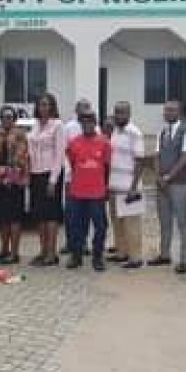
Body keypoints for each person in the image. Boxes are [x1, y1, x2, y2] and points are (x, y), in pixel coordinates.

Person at [148, 100, 186, 273]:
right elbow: (156, 156)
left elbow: (185, 158)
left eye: (172, 110)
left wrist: (168, 177)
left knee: (183, 223)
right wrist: (158, 176)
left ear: (180, 112)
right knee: (164, 221)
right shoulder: (161, 132)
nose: (168, 113)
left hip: (179, 184)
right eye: (166, 110)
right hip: (162, 183)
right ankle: (164, 254)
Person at [66, 109, 112, 272]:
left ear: (95, 123)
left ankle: (98, 256)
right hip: (78, 191)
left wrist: (105, 187)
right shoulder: (73, 143)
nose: (87, 125)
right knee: (77, 226)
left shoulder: (104, 142)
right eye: (84, 122)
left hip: (97, 192)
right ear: (81, 124)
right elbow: (72, 164)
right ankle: (76, 256)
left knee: (100, 226)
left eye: (90, 122)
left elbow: (107, 167)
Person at [0, 105, 29, 265]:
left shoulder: (20, 136)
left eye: (9, 117)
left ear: (14, 119)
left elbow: (20, 159)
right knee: (2, 218)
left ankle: (14, 253)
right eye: (3, 117)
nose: (6, 120)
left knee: (15, 219)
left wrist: (7, 174)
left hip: (14, 183)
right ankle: (4, 249)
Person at [105, 102, 146, 269]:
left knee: (132, 224)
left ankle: (135, 257)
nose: (119, 115)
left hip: (130, 186)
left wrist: (133, 187)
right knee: (117, 222)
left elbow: (140, 161)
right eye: (116, 112)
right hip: (114, 185)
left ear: (129, 114)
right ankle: (121, 253)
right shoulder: (114, 131)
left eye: (122, 112)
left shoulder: (134, 133)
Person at [28, 93, 65, 267]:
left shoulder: (57, 125)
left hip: (51, 173)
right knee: (39, 214)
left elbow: (59, 154)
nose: (43, 108)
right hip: (35, 173)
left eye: (46, 104)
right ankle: (42, 251)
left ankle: (52, 253)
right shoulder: (34, 125)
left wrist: (53, 179)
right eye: (40, 104)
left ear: (52, 107)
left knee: (51, 215)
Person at [61, 98, 93, 255]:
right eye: (82, 108)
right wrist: (69, 174)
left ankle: (83, 242)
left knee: (85, 212)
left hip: (88, 178)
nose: (84, 111)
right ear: (76, 110)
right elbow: (64, 152)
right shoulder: (68, 128)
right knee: (70, 212)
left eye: (87, 108)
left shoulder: (95, 129)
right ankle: (70, 242)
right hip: (71, 177)